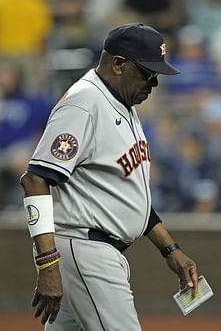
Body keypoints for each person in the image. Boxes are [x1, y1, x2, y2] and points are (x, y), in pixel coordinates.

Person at [19, 23, 199, 330]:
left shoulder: (121, 103)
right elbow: (35, 179)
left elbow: (130, 194)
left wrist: (170, 249)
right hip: (85, 250)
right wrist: (47, 263)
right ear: (119, 64)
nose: (153, 83)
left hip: (94, 251)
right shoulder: (85, 102)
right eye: (147, 72)